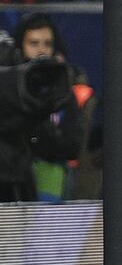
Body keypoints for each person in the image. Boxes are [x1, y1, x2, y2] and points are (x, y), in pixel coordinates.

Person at [0, 24, 76, 203]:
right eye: (33, 43)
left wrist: (38, 116)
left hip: (38, 190)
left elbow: (71, 146)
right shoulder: (11, 86)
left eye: (47, 44)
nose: (41, 51)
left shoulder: (58, 90)